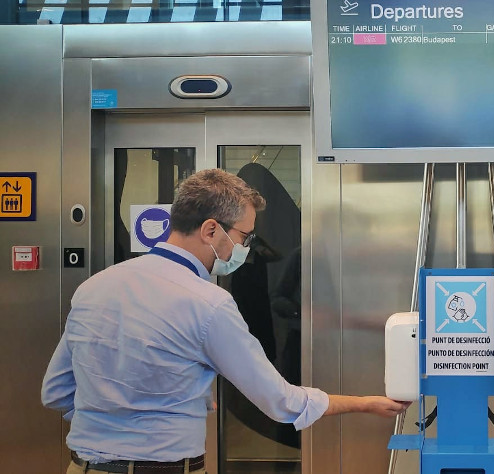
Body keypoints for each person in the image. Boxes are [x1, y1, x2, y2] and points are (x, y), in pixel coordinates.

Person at [41, 169, 409, 474]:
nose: (245, 248)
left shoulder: (94, 287)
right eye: (244, 236)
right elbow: (282, 402)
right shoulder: (209, 304)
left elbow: (56, 391)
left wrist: (113, 419)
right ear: (210, 230)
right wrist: (365, 403)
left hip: (83, 467)